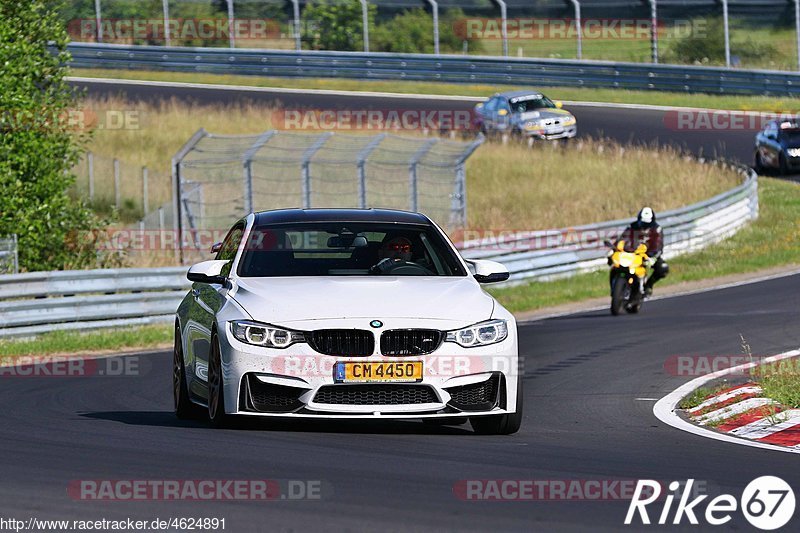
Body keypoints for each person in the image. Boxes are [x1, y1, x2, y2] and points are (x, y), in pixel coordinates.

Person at [618, 206, 669, 296]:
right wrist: (617, 247)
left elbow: (658, 245)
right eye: (642, 223)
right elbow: (623, 238)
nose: (644, 226)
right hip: (633, 254)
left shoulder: (657, 229)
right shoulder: (632, 226)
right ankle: (619, 286)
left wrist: (653, 256)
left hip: (649, 255)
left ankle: (649, 285)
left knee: (663, 268)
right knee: (617, 266)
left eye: (647, 224)